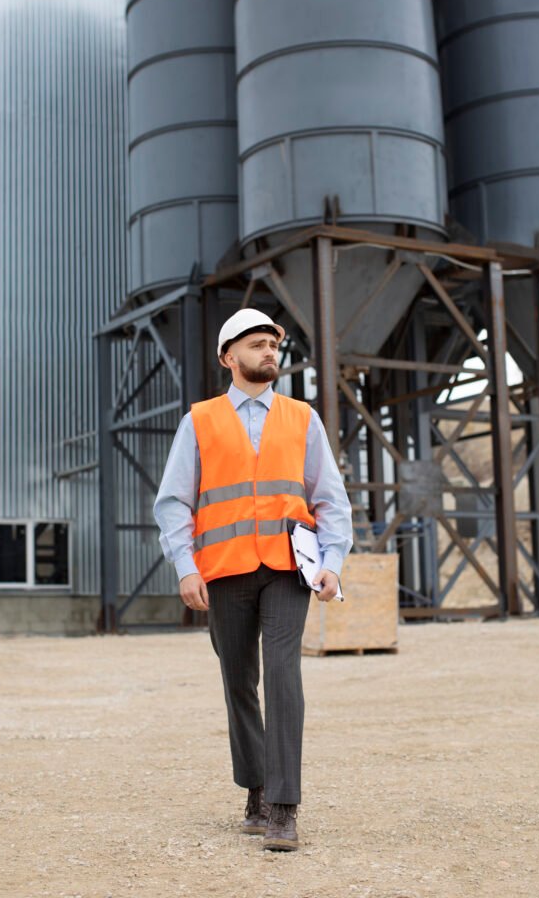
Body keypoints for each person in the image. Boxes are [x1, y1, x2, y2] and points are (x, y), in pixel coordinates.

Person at [153, 308, 352, 851]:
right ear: (229, 357)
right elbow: (173, 502)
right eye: (258, 345)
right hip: (224, 572)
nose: (270, 352)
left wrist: (333, 560)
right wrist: (186, 568)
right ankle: (256, 788)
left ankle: (285, 807)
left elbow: (329, 497)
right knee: (239, 680)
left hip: (288, 570)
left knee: (283, 674)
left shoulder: (302, 418)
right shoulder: (200, 420)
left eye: (274, 345)